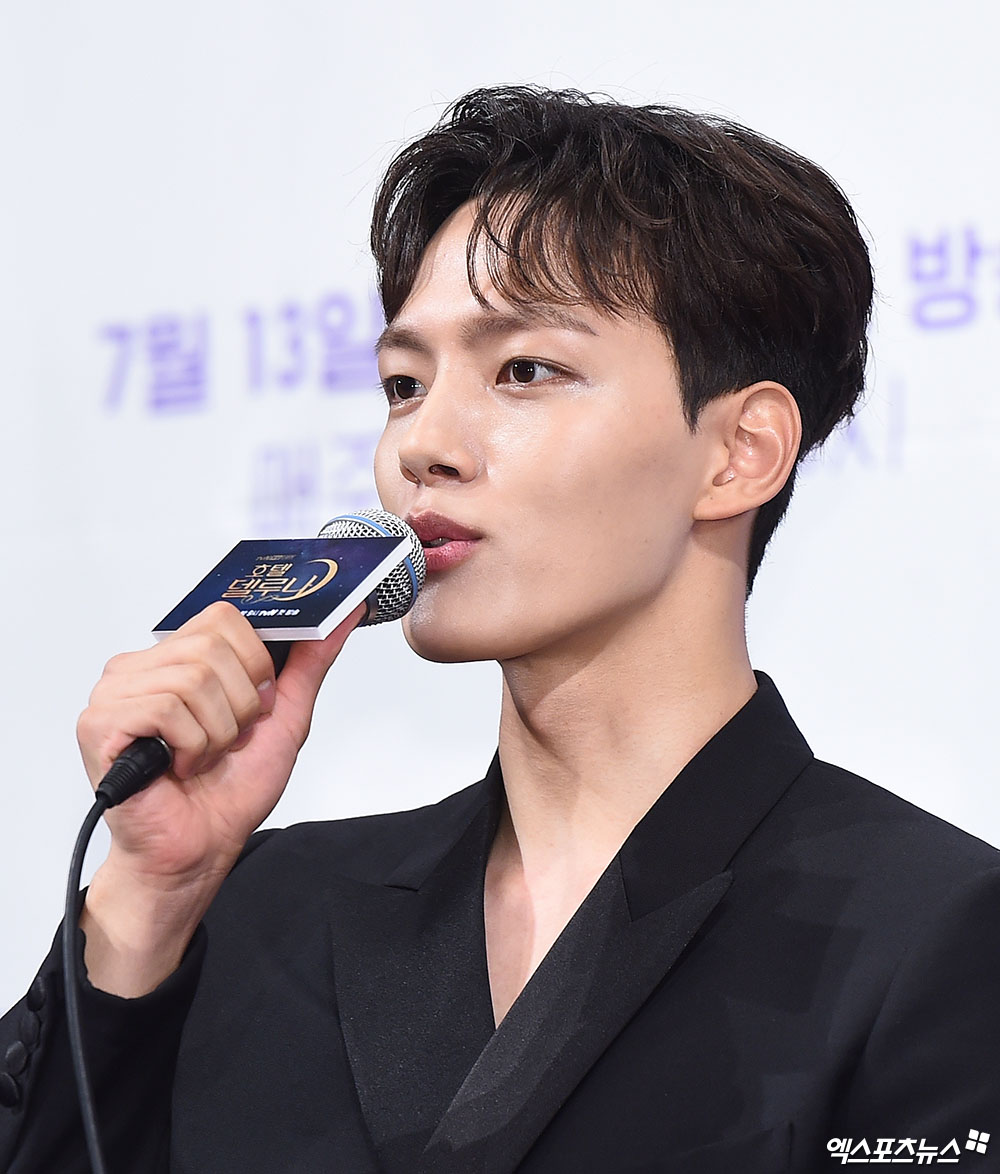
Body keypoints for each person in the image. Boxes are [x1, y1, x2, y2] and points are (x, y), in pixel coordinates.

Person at [1, 85, 998, 1174]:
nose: (421, 444)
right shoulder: (260, 904)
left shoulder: (933, 930)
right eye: (403, 382)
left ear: (740, 452)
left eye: (525, 369)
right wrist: (151, 897)